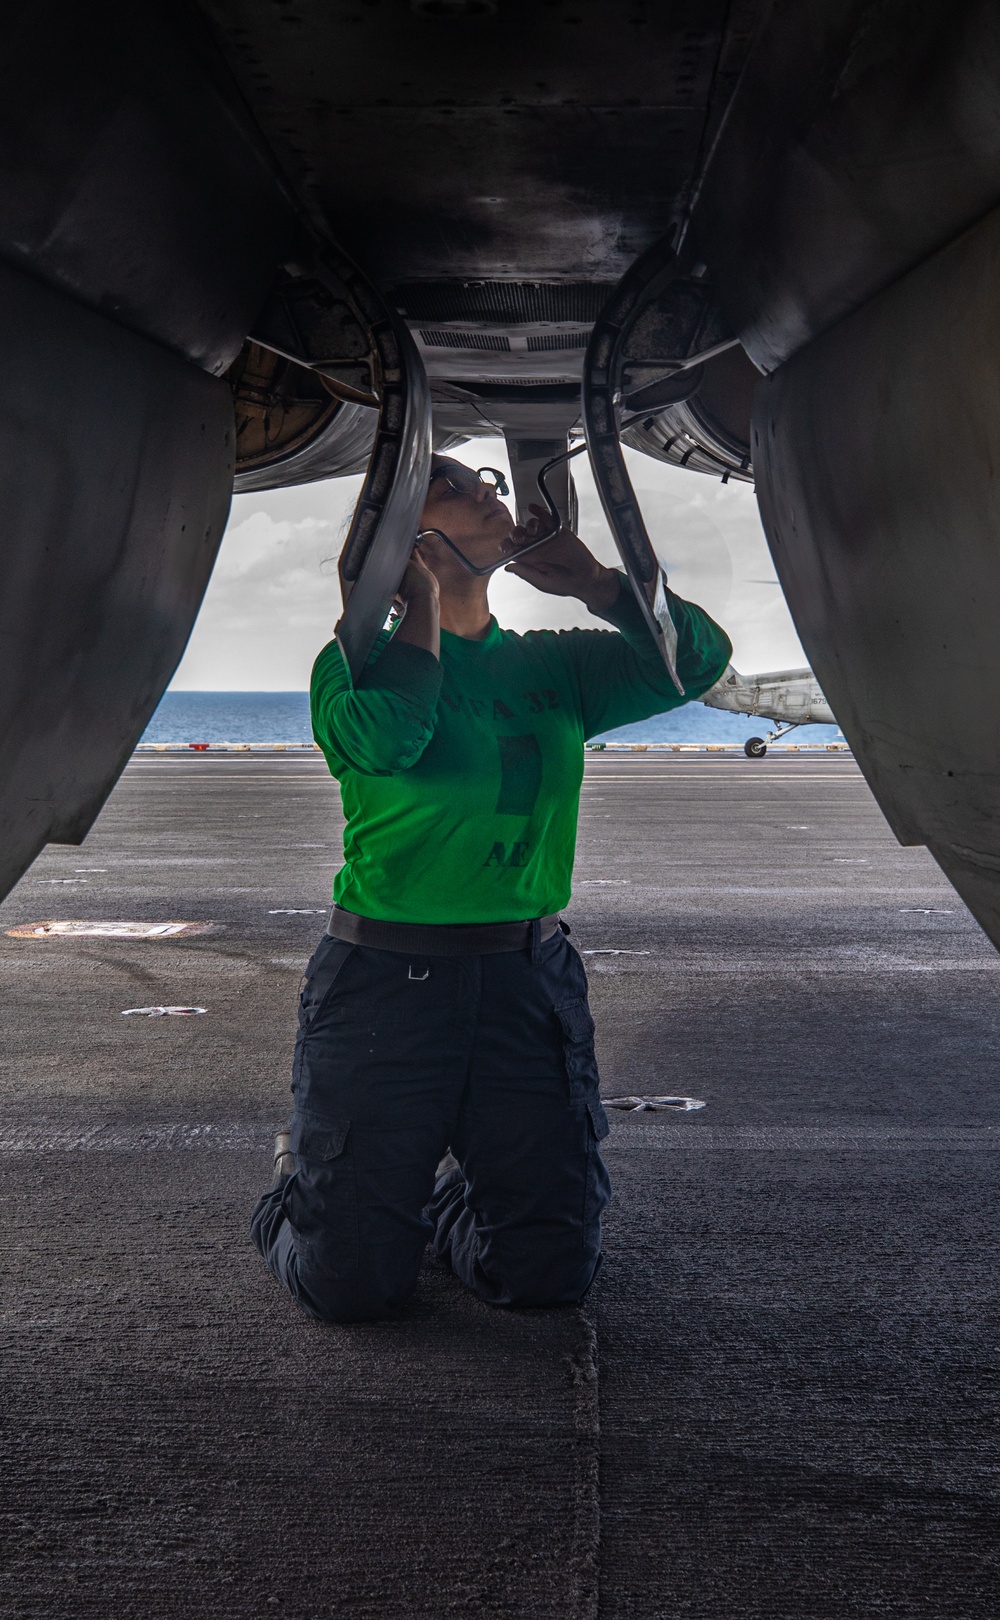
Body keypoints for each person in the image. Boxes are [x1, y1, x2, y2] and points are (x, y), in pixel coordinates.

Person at [251, 456, 731, 1322]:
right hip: (379, 986)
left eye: (489, 485)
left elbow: (696, 665)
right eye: (458, 489)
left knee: (546, 1277)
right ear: (405, 535)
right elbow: (391, 740)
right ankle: (299, 1188)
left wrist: (603, 587)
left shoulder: (558, 668)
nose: (492, 493)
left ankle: (416, 1196)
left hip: (524, 982)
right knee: (353, 1289)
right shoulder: (348, 665)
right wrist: (421, 606)